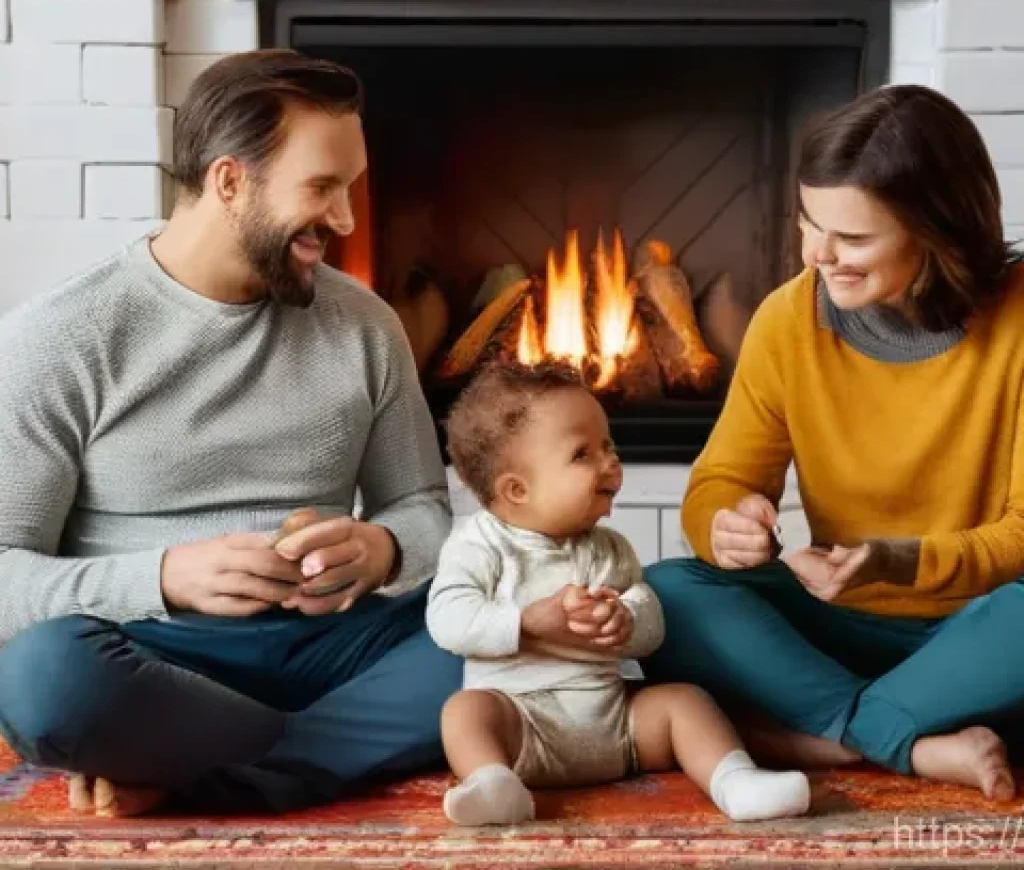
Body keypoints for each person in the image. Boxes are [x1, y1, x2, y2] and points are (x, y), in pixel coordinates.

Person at [0, 49, 461, 815]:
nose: (345, 220)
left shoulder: (365, 327)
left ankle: (211, 770)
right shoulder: (61, 338)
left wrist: (380, 549)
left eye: (351, 190)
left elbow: (423, 510)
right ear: (229, 181)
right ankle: (314, 755)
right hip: (152, 651)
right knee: (46, 681)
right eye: (322, 188)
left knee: (518, 623)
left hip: (334, 646)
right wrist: (164, 577)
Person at [642, 84, 1024, 803]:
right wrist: (726, 525)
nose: (819, 254)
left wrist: (896, 560)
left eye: (852, 238)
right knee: (668, 591)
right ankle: (903, 734)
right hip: (837, 624)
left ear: (937, 230)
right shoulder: (789, 319)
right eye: (808, 223)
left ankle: (824, 731)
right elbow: (719, 481)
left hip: (981, 628)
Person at [427, 361, 810, 827]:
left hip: (616, 726)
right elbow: (447, 618)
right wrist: (526, 621)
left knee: (683, 701)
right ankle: (495, 784)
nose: (610, 462)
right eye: (582, 454)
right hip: (525, 730)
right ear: (517, 489)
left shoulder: (609, 548)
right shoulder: (478, 545)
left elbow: (649, 620)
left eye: (609, 445)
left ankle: (735, 781)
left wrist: (626, 620)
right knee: (465, 712)